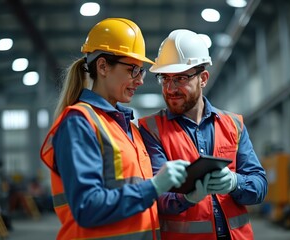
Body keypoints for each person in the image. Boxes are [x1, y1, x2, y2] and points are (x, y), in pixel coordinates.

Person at [40, 18, 189, 240]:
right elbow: (87, 207)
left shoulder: (130, 129)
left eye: (142, 71)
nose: (139, 81)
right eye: (133, 70)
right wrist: (154, 186)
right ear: (102, 66)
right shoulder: (79, 123)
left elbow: (143, 200)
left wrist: (189, 197)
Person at [139, 29, 268, 240]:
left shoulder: (233, 125)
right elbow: (157, 196)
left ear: (203, 78)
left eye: (180, 78)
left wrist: (236, 183)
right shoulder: (151, 129)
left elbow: (260, 186)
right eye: (165, 79)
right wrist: (188, 198)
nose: (170, 88)